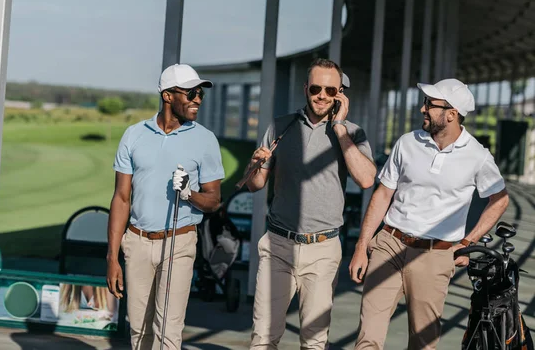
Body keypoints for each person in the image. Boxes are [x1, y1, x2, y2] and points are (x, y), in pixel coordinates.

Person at [349, 78, 510, 350]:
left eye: (430, 104)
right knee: (368, 337)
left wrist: (468, 241)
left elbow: (500, 199)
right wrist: (362, 247)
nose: (423, 109)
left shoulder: (477, 156)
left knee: (424, 343)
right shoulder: (407, 143)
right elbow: (383, 194)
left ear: (451, 114)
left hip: (435, 256)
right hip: (389, 244)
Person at [245, 58, 377, 349]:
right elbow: (256, 185)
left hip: (323, 249)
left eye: (330, 90)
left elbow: (367, 179)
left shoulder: (353, 133)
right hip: (278, 245)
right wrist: (253, 166)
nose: (322, 95)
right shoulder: (281, 126)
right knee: (263, 338)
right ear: (306, 88)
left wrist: (340, 128)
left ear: (340, 93)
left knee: (315, 342)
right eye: (316, 88)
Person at [105, 63, 225, 350]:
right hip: (137, 242)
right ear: (168, 96)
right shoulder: (134, 135)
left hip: (179, 242)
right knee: (139, 331)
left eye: (201, 94)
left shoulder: (205, 140)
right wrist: (112, 257)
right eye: (192, 92)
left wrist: (189, 194)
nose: (198, 98)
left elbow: (213, 200)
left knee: (168, 333)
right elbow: (121, 198)